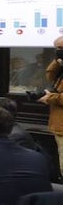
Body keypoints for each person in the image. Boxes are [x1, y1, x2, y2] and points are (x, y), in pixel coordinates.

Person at [40, 35, 63, 178]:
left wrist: (50, 97)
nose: (59, 51)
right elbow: (50, 76)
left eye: (61, 48)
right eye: (57, 49)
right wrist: (57, 62)